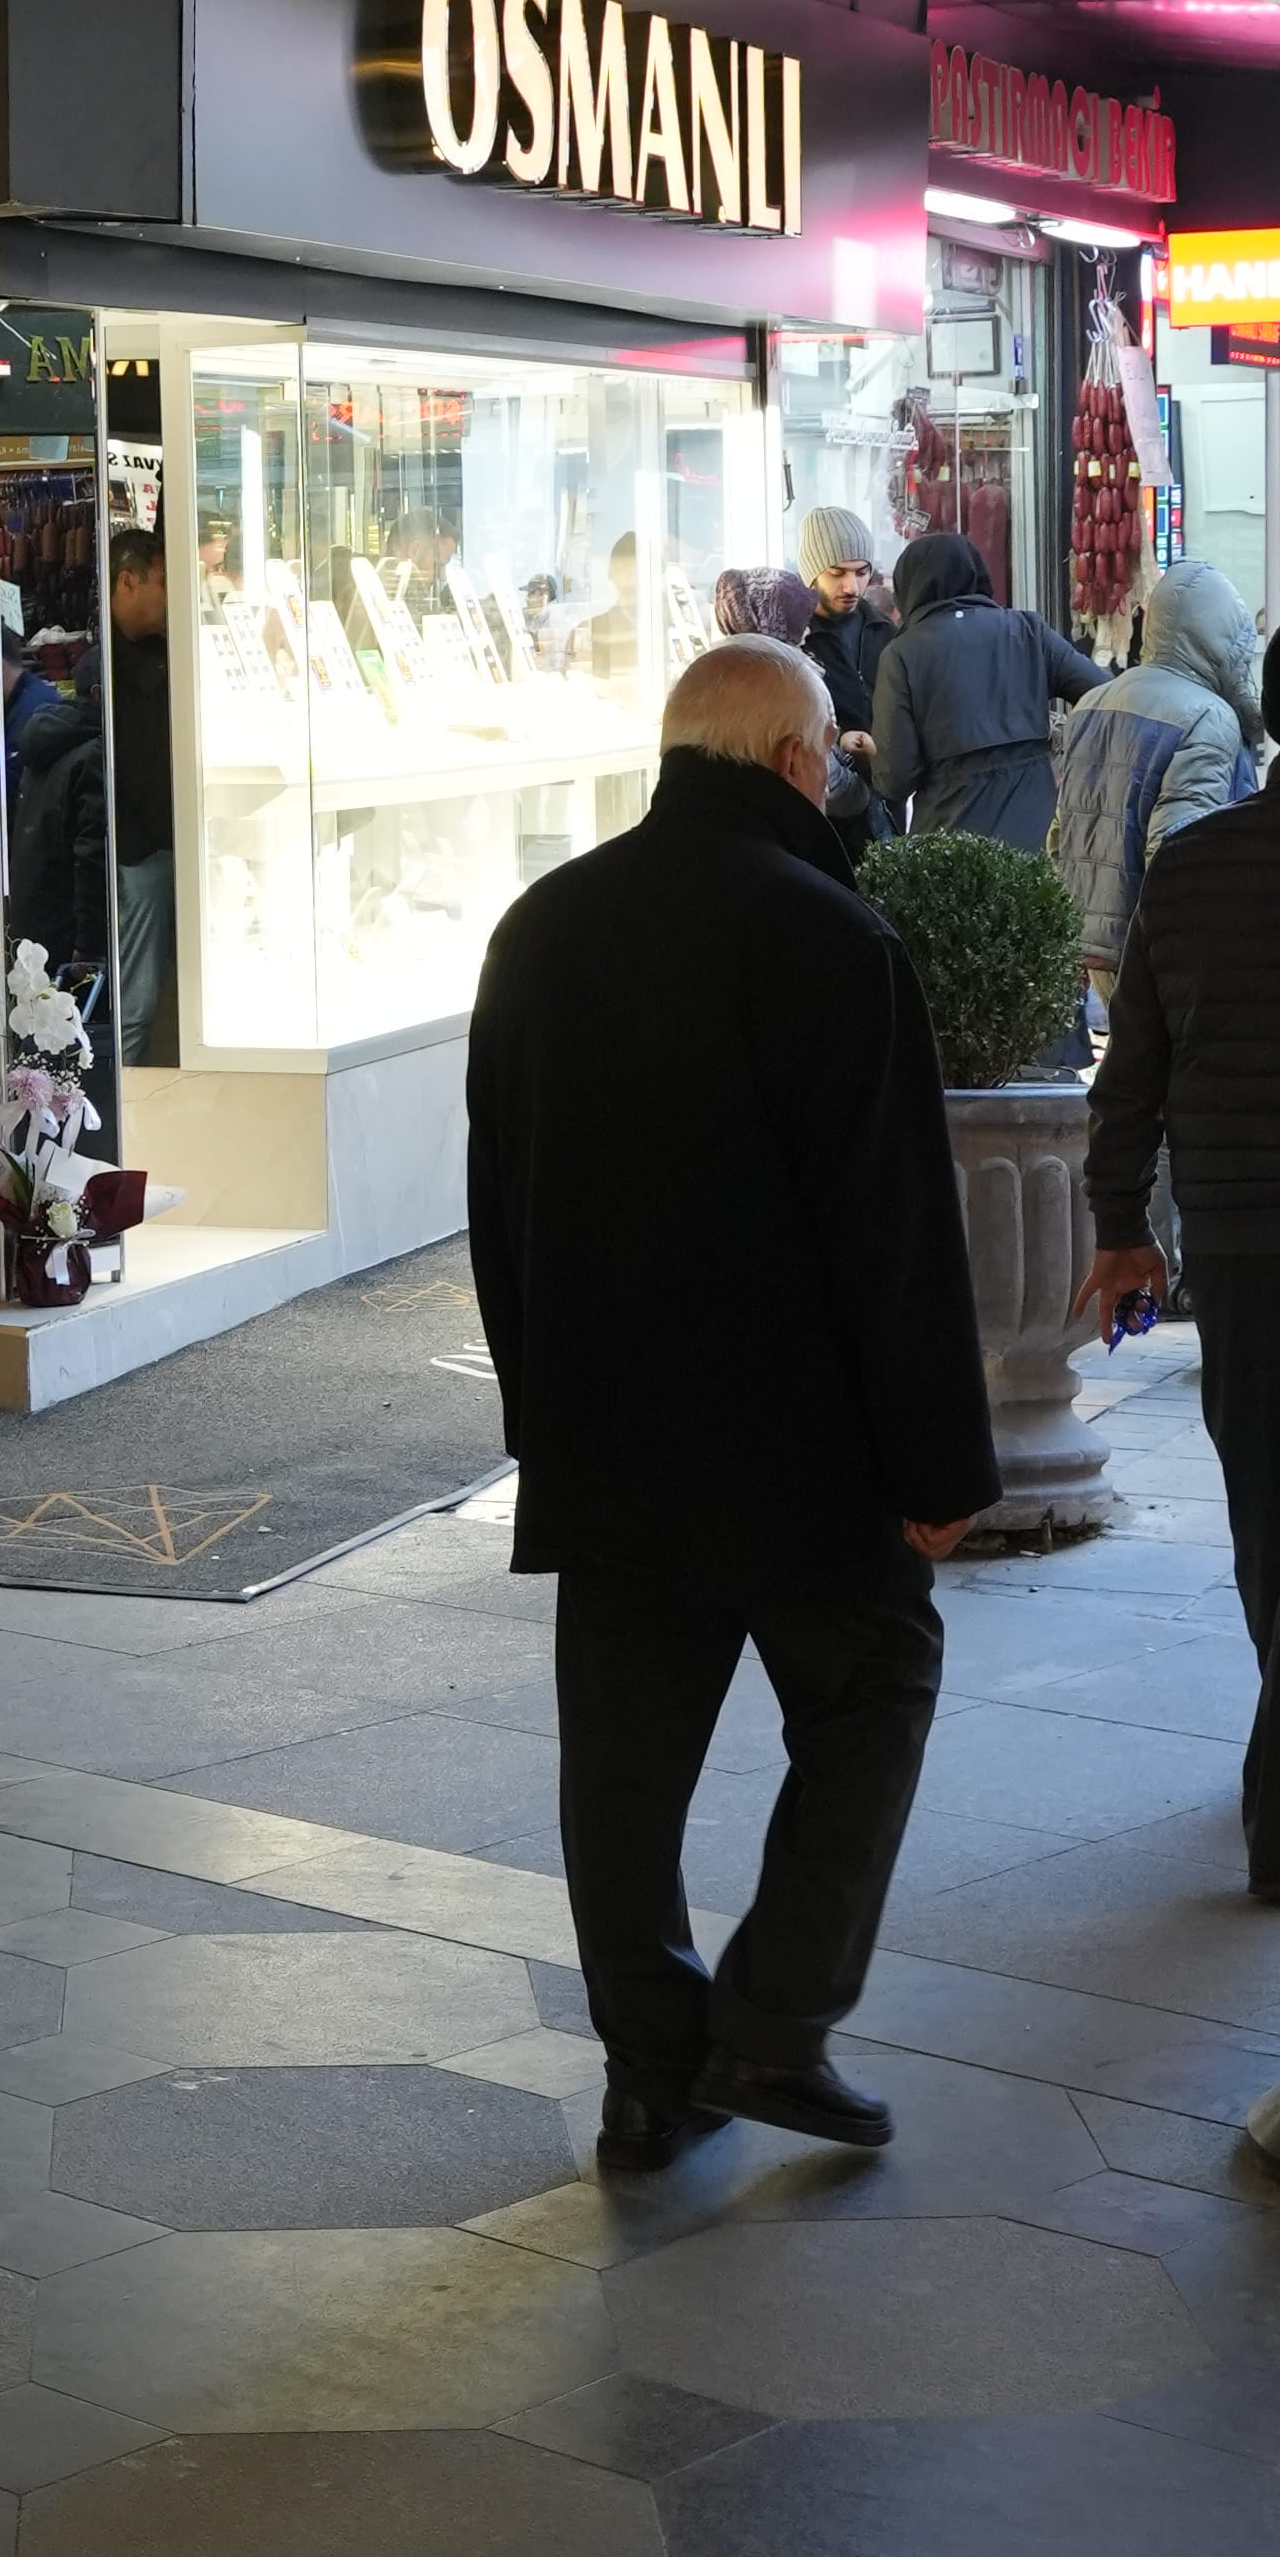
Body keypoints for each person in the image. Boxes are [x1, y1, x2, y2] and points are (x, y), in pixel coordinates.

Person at [467, 631, 992, 2177]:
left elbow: (497, 1203)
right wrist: (938, 1465)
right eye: (827, 756)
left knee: (621, 1773)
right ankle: (771, 2022)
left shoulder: (544, 925)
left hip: (608, 1437)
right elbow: (892, 1231)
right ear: (790, 760)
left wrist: (539, 1413)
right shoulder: (826, 932)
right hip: (798, 1447)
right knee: (874, 1689)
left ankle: (652, 2075)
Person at [1071, 601, 1280, 1902]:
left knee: (1267, 1516)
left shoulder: (1191, 867)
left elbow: (1130, 1070)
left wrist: (1122, 1230)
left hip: (1234, 1241)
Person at [1051, 560, 1261, 987]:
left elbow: (1062, 831)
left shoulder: (1092, 703)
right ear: (1220, 640)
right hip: (1163, 959)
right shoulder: (1208, 716)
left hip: (1095, 947)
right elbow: (1179, 858)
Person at [867, 528, 1097, 850]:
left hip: (949, 845)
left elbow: (895, 778)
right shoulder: (1028, 631)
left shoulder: (901, 655)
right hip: (1037, 836)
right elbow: (1104, 695)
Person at [110, 538, 177, 1064]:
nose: (172, 594)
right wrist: (137, 848)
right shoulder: (105, 665)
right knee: (136, 1000)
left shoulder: (163, 651)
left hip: (163, 844)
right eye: (163, 580)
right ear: (128, 581)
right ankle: (122, 1095)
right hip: (138, 853)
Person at [794, 511, 895, 755]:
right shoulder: (794, 640)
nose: (851, 588)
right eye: (837, 573)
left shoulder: (885, 631)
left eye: (861, 572)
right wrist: (837, 739)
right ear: (811, 573)